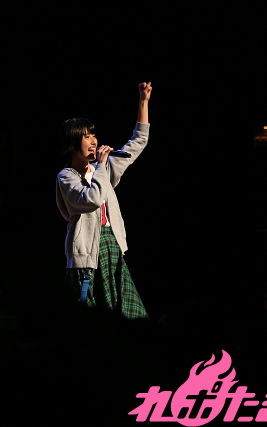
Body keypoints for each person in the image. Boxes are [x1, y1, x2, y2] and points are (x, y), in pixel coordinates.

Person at [55, 82, 152, 319]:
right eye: (86, 137)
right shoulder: (67, 176)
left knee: (131, 317)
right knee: (91, 322)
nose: (93, 141)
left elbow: (138, 141)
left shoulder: (103, 168)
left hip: (111, 247)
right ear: (72, 144)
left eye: (94, 135)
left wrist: (143, 102)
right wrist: (101, 166)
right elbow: (93, 199)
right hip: (86, 256)